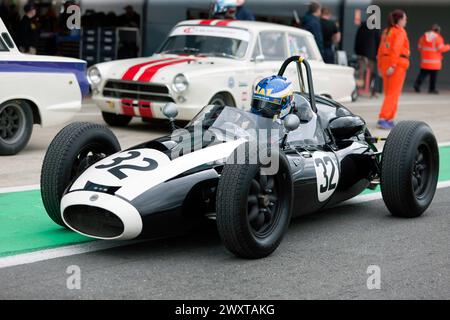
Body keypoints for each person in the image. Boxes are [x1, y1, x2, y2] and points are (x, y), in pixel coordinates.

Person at [376, 10, 410, 130]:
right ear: (400, 20)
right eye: (405, 19)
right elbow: (396, 49)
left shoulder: (387, 31)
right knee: (393, 93)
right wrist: (393, 65)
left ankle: (389, 118)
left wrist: (380, 66)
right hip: (397, 64)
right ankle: (384, 118)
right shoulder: (399, 31)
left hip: (385, 63)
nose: (406, 21)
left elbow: (380, 50)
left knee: (389, 93)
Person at [414, 24, 450, 94]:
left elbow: (419, 47)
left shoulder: (423, 37)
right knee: (433, 77)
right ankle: (431, 89)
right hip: (435, 61)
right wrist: (449, 46)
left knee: (422, 74)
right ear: (438, 31)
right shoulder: (438, 38)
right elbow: (441, 49)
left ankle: (417, 85)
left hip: (425, 60)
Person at [354, 20, 382, 96]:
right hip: (371, 55)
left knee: (361, 73)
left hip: (361, 54)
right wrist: (378, 53)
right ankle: (369, 90)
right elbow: (378, 41)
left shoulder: (361, 27)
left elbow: (357, 40)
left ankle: (359, 89)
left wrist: (357, 52)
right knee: (371, 73)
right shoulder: (375, 29)